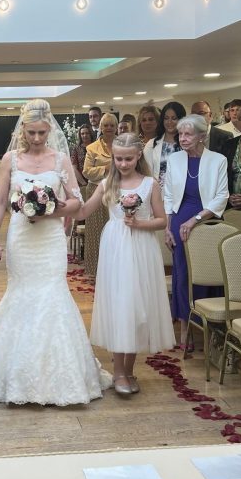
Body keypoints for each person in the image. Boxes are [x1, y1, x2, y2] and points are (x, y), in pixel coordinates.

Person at [0, 98, 109, 405]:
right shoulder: (10, 159)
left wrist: (51, 210)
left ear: (49, 129)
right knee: (21, 292)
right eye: (31, 132)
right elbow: (0, 200)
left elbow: (76, 204)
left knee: (53, 293)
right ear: (22, 130)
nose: (36, 138)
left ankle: (59, 376)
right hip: (21, 238)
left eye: (41, 132)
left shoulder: (61, 159)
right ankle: (15, 374)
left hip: (50, 239)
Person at [76, 133, 173, 394]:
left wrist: (140, 223)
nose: (123, 164)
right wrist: (65, 200)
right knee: (121, 306)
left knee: (139, 310)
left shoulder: (150, 184)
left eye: (128, 159)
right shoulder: (108, 183)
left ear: (138, 156)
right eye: (118, 159)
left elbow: (162, 220)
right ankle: (119, 372)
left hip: (142, 248)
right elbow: (83, 211)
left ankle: (130, 370)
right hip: (116, 248)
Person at [163, 114, 229, 356]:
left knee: (208, 275)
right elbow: (168, 195)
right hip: (180, 221)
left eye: (188, 134)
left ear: (202, 136)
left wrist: (196, 220)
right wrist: (168, 227)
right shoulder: (175, 160)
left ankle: (211, 329)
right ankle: (185, 329)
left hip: (207, 221)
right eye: (180, 134)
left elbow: (221, 196)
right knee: (183, 275)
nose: (182, 138)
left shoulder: (218, 160)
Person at [82, 113, 118, 281]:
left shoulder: (122, 145)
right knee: (97, 232)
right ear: (101, 128)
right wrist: (105, 169)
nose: (109, 128)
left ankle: (115, 270)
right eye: (106, 125)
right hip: (96, 191)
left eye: (112, 125)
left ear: (116, 127)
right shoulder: (92, 148)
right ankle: (95, 271)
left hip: (118, 192)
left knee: (117, 231)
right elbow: (86, 171)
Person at [150, 102, 184, 181]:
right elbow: (147, 173)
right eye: (166, 118)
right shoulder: (151, 144)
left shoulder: (187, 143)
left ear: (181, 119)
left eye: (174, 118)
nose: (169, 122)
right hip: (159, 188)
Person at [70, 123, 94, 188]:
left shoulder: (97, 147)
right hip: (81, 184)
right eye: (82, 134)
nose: (85, 135)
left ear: (90, 134)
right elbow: (74, 168)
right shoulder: (76, 149)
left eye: (87, 133)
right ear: (80, 135)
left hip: (96, 182)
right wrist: (84, 183)